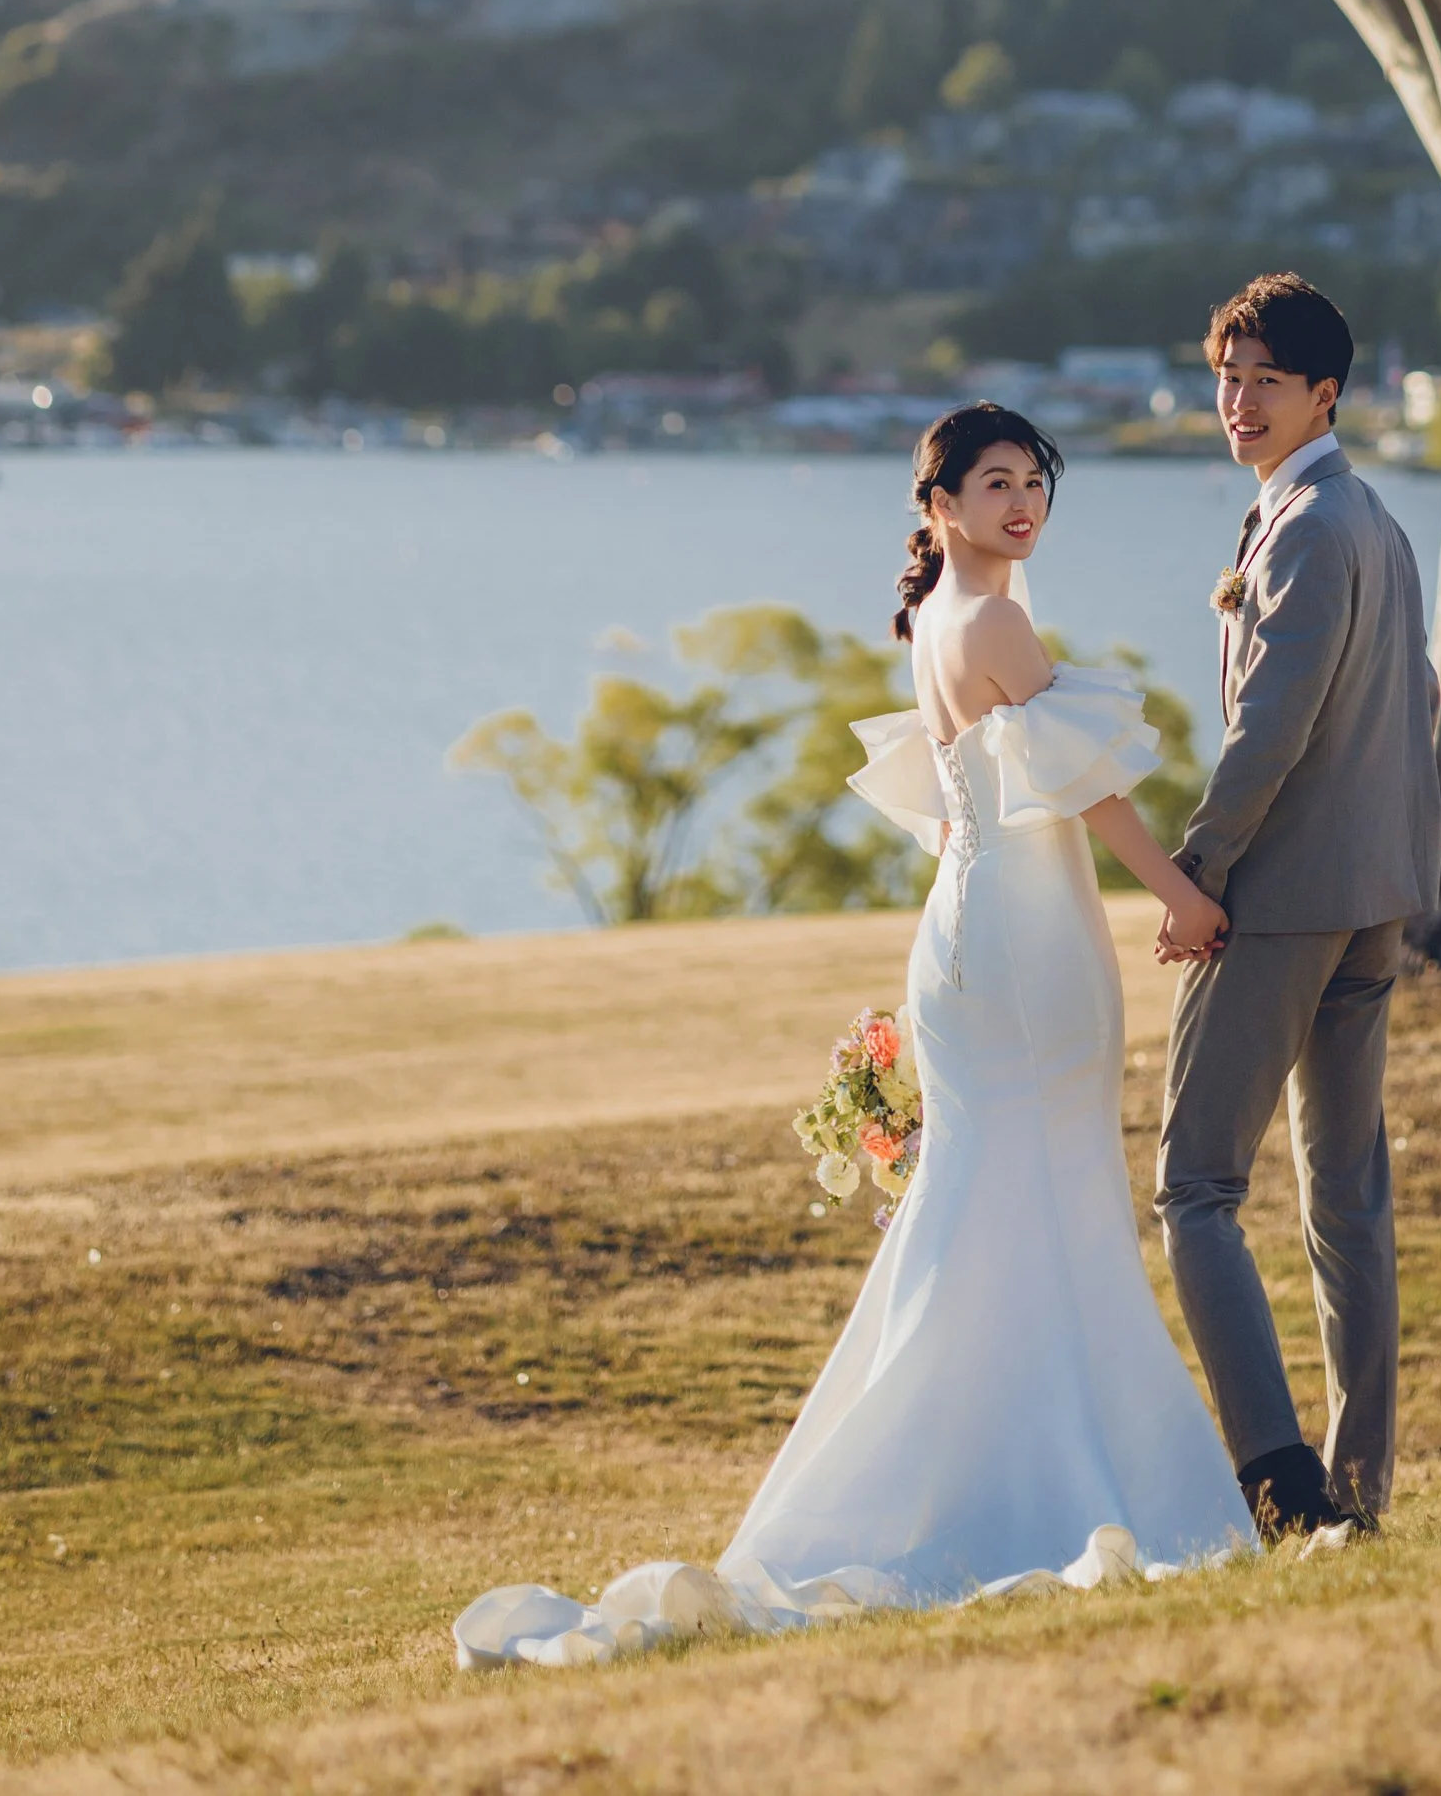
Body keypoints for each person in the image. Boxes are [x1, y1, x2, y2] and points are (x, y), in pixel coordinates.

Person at [453, 401, 1253, 1670]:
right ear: (938, 507)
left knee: (988, 1203)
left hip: (974, 930)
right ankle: (1058, 1474)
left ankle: (972, 1463)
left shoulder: (943, 624)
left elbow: (966, 810)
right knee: (1041, 1190)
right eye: (993, 484)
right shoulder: (988, 619)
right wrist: (1184, 896)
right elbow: (1090, 788)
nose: (1020, 503)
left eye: (1032, 482)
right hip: (1023, 947)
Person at [1155, 272, 1441, 1543]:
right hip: (1372, 896)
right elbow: (1415, 700)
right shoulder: (1368, 519)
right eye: (1227, 376)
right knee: (1343, 1198)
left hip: (1282, 905)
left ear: (1325, 393)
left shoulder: (1318, 525)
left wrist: (1196, 872)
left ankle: (1283, 1492)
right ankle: (1360, 1495)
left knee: (1196, 1188)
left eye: (1264, 380)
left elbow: (1269, 729)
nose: (1238, 401)